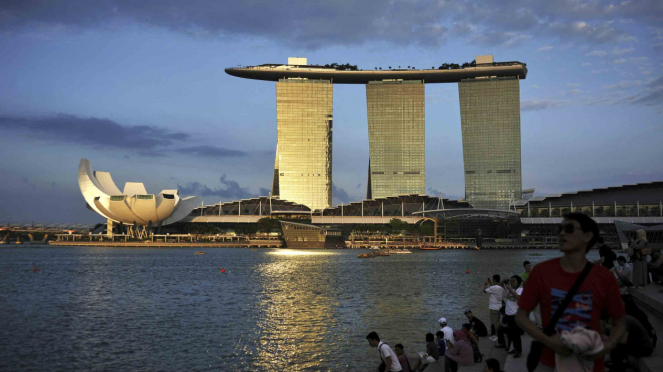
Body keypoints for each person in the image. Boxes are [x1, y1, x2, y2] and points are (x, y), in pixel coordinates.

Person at [515, 213, 626, 372]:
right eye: (560, 229)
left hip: (591, 363)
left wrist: (606, 346)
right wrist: (549, 341)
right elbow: (520, 316)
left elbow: (619, 323)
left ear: (588, 236)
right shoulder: (541, 272)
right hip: (548, 362)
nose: (561, 233)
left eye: (569, 229)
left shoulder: (604, 277)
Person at [504, 275, 524, 357]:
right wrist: (506, 280)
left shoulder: (520, 289)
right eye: (511, 281)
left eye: (514, 281)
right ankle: (515, 348)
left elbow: (518, 298)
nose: (512, 283)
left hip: (515, 315)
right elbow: (501, 283)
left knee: (516, 334)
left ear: (518, 282)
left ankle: (519, 351)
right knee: (511, 334)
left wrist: (510, 290)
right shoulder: (510, 289)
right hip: (508, 314)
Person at [483, 274, 504, 340]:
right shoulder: (500, 288)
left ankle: (497, 336)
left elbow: (484, 291)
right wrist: (490, 283)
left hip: (494, 308)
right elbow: (494, 288)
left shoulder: (494, 288)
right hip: (499, 307)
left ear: (494, 280)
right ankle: (496, 335)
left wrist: (486, 283)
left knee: (495, 323)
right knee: (497, 322)